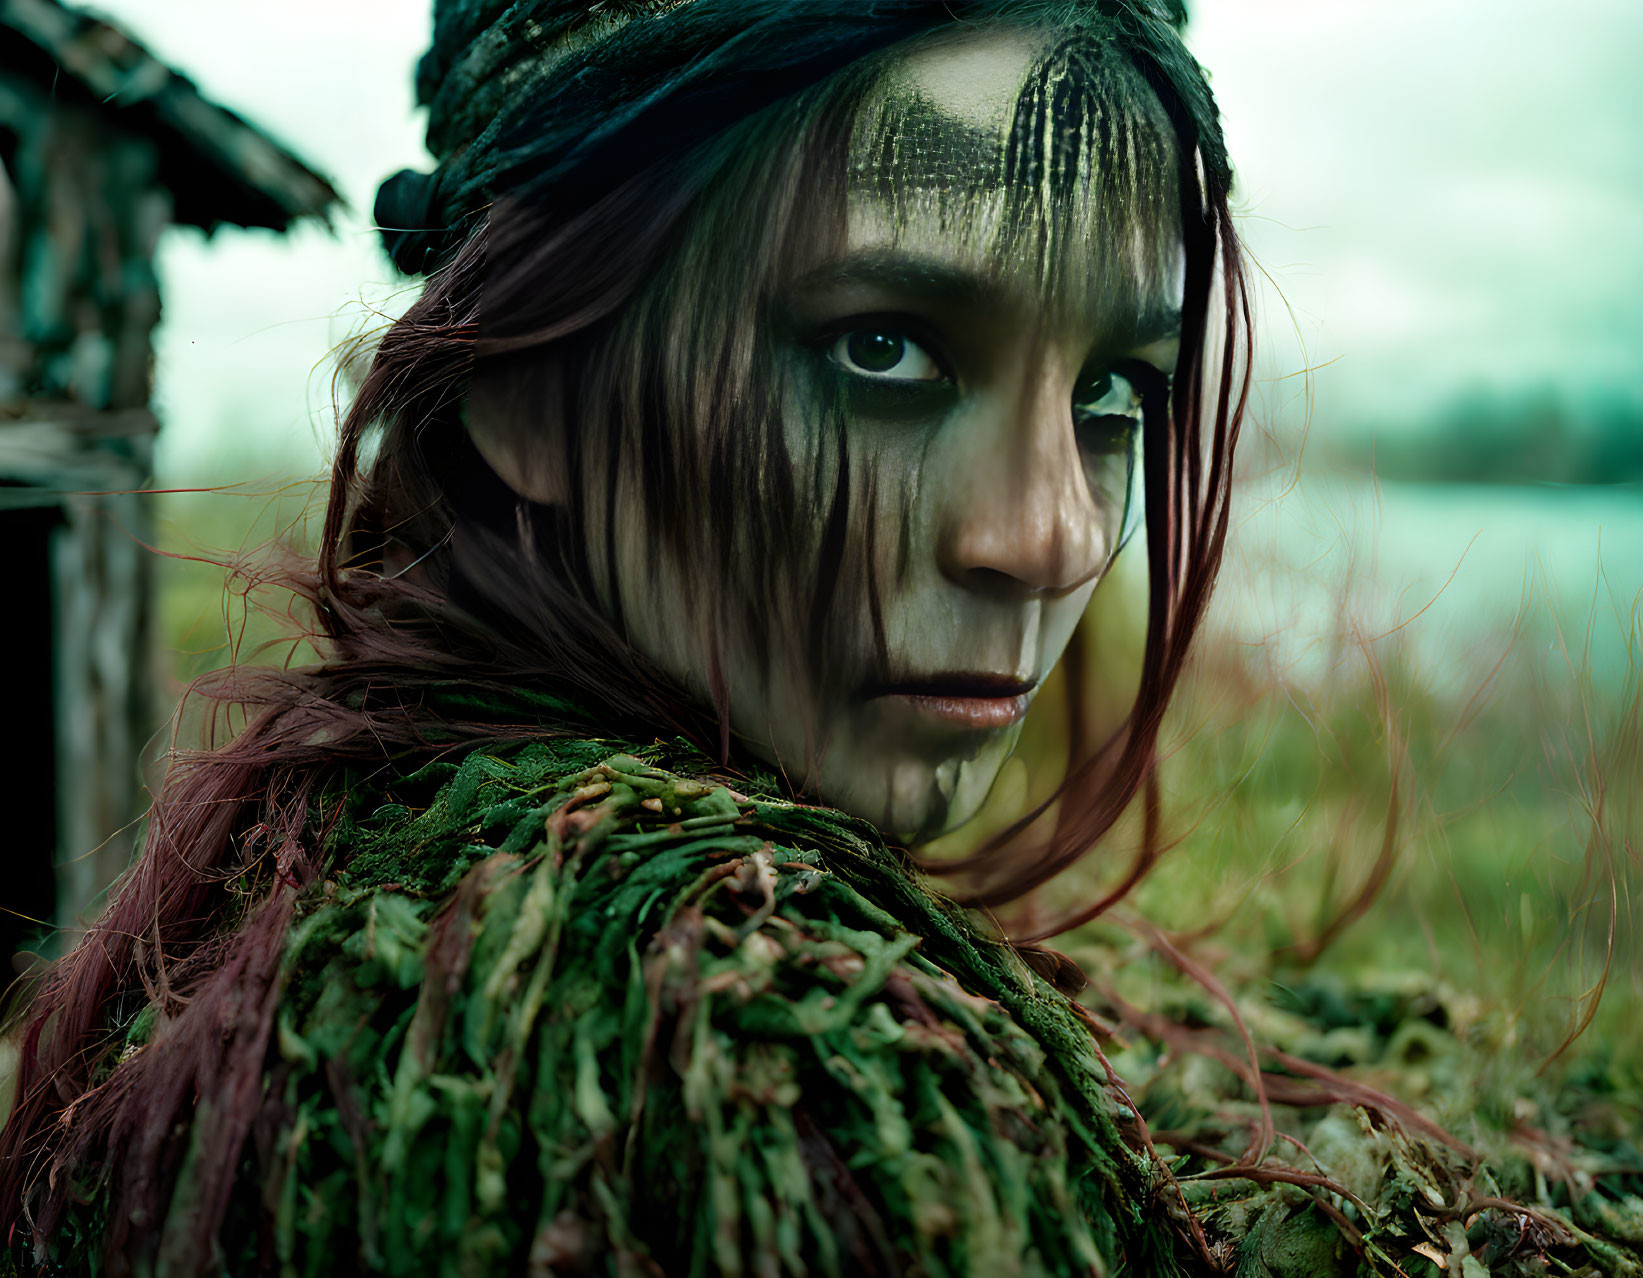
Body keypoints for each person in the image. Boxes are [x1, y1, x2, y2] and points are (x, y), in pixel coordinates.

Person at [3, 4, 1629, 1276]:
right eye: (882, 346)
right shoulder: (712, 1068)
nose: (1049, 534)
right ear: (525, 393)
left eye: (1111, 392)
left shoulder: (341, 854)